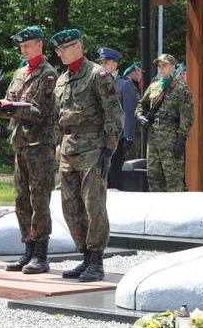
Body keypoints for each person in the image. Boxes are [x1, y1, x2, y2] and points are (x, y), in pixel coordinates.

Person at [51, 29, 123, 282]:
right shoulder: (62, 79)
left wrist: (109, 149)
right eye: (57, 50)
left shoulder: (97, 74)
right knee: (70, 206)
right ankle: (84, 256)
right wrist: (59, 142)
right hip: (69, 148)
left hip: (93, 147)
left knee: (93, 204)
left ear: (78, 46)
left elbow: (114, 113)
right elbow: (58, 116)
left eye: (64, 48)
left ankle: (96, 260)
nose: (59, 53)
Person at [0, 26, 58, 274]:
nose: (24, 49)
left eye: (28, 45)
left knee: (39, 200)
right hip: (20, 143)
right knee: (21, 201)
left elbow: (42, 112)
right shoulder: (20, 72)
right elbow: (12, 100)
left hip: (40, 145)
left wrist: (12, 109)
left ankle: (41, 254)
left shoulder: (49, 75)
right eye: (21, 46)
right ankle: (28, 250)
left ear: (40, 45)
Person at [136, 54, 195, 192]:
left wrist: (181, 138)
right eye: (159, 65)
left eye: (165, 65)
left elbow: (187, 115)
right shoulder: (153, 87)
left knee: (173, 178)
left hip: (171, 140)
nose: (161, 68)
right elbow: (141, 104)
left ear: (173, 67)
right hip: (153, 137)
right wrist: (139, 116)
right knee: (154, 177)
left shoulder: (181, 89)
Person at [98, 47, 131, 190]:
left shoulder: (124, 84)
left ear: (115, 64)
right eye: (101, 62)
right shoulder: (96, 81)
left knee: (114, 173)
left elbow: (129, 111)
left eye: (106, 62)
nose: (103, 65)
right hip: (98, 136)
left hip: (117, 137)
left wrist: (127, 137)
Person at [121, 61, 142, 162]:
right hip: (129, 130)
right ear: (128, 75)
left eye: (139, 70)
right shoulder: (128, 87)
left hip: (139, 130)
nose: (137, 73)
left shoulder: (142, 88)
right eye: (134, 71)